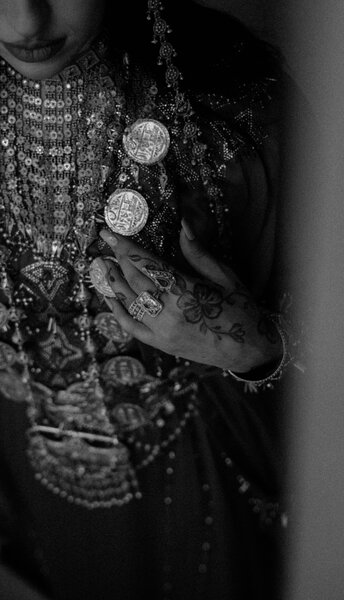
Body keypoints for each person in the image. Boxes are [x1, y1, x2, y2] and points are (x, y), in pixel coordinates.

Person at [0, 1, 297, 598]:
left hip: (202, 476)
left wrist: (255, 347)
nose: (26, 23)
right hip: (16, 481)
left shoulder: (228, 118)